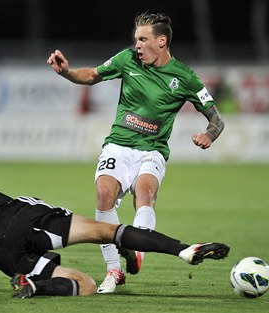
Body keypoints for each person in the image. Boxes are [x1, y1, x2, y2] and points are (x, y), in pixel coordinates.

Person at [0, 89, 230, 298]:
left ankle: (34, 286)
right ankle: (184, 250)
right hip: (16, 219)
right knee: (108, 231)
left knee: (84, 285)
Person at [47, 12, 226, 293]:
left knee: (145, 193)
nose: (138, 45)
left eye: (143, 39)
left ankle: (135, 246)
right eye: (136, 39)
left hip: (152, 151)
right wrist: (68, 72)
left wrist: (209, 136)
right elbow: (92, 75)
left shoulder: (186, 78)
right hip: (118, 144)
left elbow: (217, 119)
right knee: (104, 193)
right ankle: (114, 271)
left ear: (162, 41)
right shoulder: (127, 59)